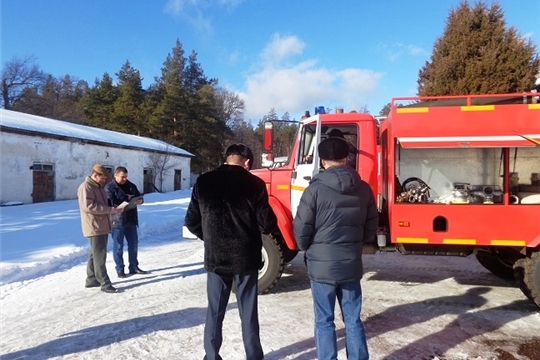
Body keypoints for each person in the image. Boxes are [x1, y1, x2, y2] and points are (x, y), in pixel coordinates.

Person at [184, 143, 278, 360]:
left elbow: (191, 221)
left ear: (227, 158)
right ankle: (253, 356)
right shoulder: (254, 184)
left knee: (214, 311)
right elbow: (268, 224)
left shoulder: (203, 181)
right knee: (248, 312)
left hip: (216, 257)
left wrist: (210, 238)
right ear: (246, 162)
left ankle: (211, 355)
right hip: (246, 257)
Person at [293, 137, 378, 360]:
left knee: (324, 321)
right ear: (346, 158)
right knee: (352, 319)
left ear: (323, 161)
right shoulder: (363, 189)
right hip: (350, 264)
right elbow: (371, 227)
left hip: (321, 267)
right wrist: (358, 244)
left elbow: (301, 229)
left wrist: (307, 249)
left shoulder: (314, 191)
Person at [77, 164, 124, 294]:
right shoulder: (86, 187)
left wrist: (114, 207)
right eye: (102, 178)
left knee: (94, 254)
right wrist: (109, 210)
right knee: (100, 255)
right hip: (94, 226)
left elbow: (102, 204)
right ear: (95, 175)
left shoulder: (97, 187)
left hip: (101, 225)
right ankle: (105, 283)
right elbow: (89, 206)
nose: (104, 181)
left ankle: (91, 279)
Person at [105, 166, 146, 278]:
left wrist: (140, 200)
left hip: (131, 219)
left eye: (126, 177)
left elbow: (139, 196)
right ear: (116, 175)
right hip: (117, 221)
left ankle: (133, 266)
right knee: (118, 246)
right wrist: (120, 204)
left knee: (133, 244)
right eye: (122, 177)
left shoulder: (131, 185)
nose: (124, 179)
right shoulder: (110, 187)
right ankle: (120, 269)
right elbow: (109, 202)